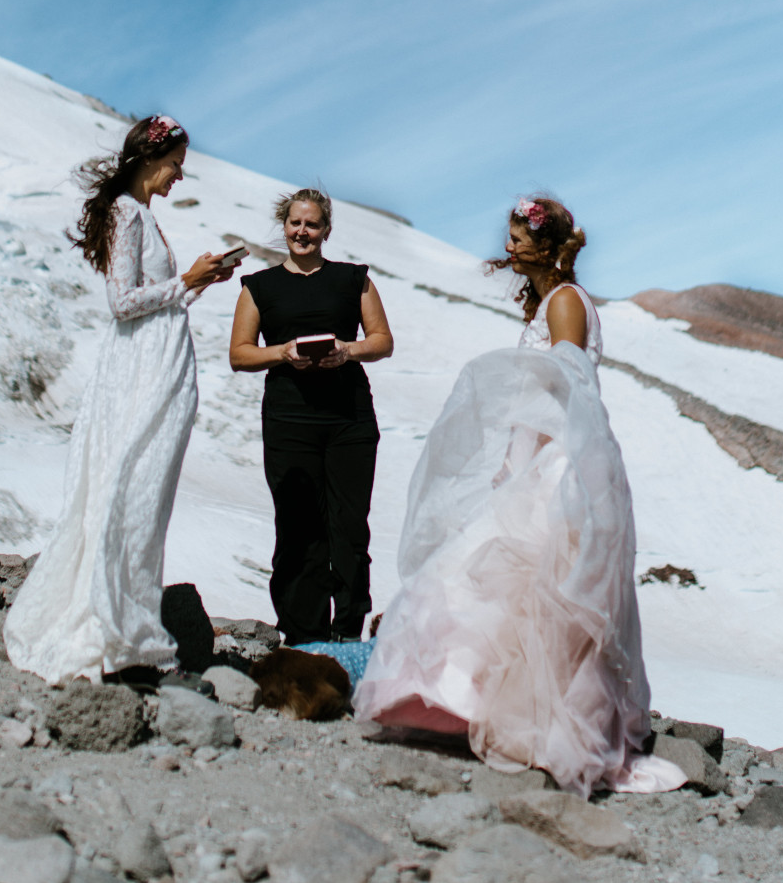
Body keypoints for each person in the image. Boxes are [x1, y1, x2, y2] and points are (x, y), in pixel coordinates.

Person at [354, 195, 684, 797]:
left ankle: (530, 718)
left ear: (546, 245)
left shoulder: (563, 303)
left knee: (536, 588)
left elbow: (569, 388)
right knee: (503, 586)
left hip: (555, 465)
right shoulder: (550, 300)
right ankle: (469, 704)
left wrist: (529, 461)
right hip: (537, 457)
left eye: (518, 238)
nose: (508, 248)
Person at [4, 116, 239, 682]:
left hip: (155, 359)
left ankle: (127, 616)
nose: (179, 177)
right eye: (176, 166)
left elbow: (151, 301)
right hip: (137, 369)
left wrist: (199, 282)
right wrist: (185, 280)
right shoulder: (125, 213)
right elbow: (122, 301)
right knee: (131, 482)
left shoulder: (143, 216)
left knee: (146, 488)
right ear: (149, 158)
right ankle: (110, 623)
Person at [229, 189, 393, 644]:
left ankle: (346, 632)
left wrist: (347, 350)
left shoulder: (352, 279)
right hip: (289, 420)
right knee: (298, 527)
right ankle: (303, 635)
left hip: (349, 419)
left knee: (349, 527)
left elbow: (382, 340)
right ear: (284, 226)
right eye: (295, 224)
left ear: (326, 231)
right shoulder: (259, 287)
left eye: (312, 225)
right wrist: (282, 352)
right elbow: (239, 355)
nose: (303, 232)